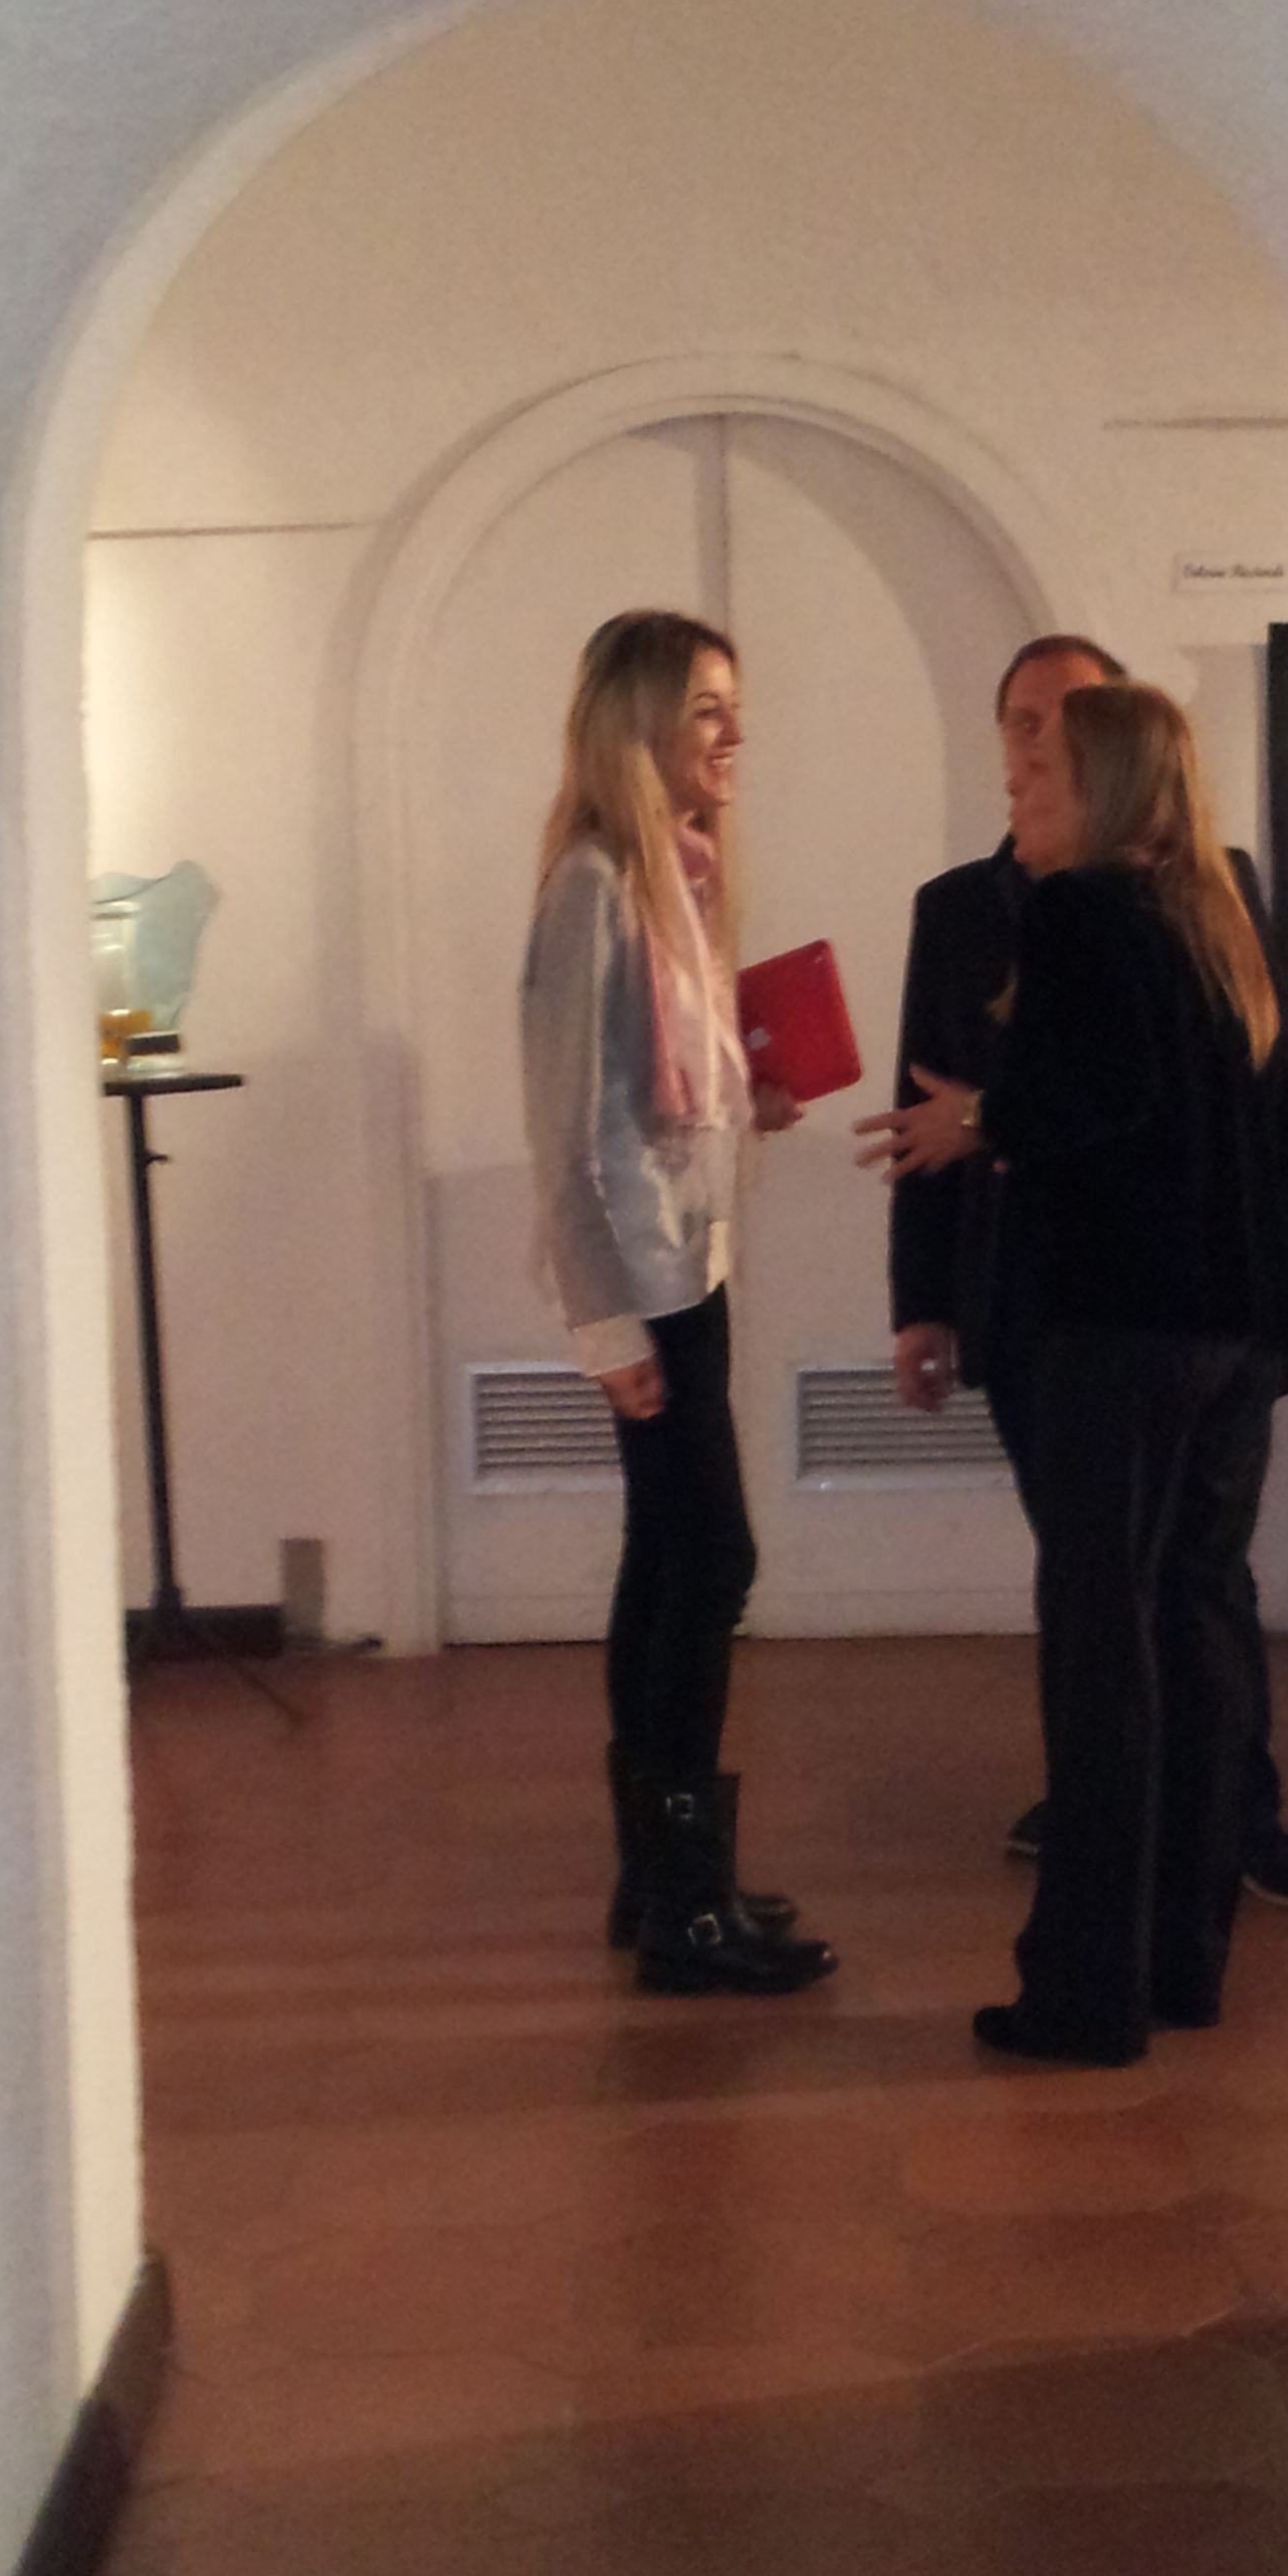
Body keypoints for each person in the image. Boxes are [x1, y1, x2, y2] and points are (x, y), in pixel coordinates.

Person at [856, 633, 1288, 1909]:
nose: (1035, 748)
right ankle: (1121, 1820)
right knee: (1094, 1579)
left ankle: (1225, 1821)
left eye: (1065, 722)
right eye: (1020, 723)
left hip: (1174, 1309)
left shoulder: (1211, 887)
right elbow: (925, 1114)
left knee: (1193, 1578)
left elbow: (1270, 1100)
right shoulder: (961, 906)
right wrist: (923, 1305)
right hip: (1040, 1300)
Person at [956, 678, 1288, 2062]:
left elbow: (1081, 1103)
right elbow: (1269, 1122)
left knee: (1101, 1642)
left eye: (1043, 766)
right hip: (1231, 1339)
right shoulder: (1214, 915)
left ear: (1107, 785)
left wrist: (992, 1115)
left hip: (1118, 1328)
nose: (1019, 784)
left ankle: (1086, 1993)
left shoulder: (1080, 913)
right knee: (1194, 1628)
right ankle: (1184, 1963)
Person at [519, 608, 835, 1996]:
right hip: (644, 1290)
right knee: (712, 1564)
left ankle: (661, 1882)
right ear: (641, 722)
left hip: (686, 1272)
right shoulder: (595, 885)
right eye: (708, 707)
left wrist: (748, 1099)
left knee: (671, 1561)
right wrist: (608, 1325)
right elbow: (565, 1133)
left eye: (731, 705)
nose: (734, 733)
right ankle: (683, 1910)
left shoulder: (675, 883)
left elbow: (653, 1105)